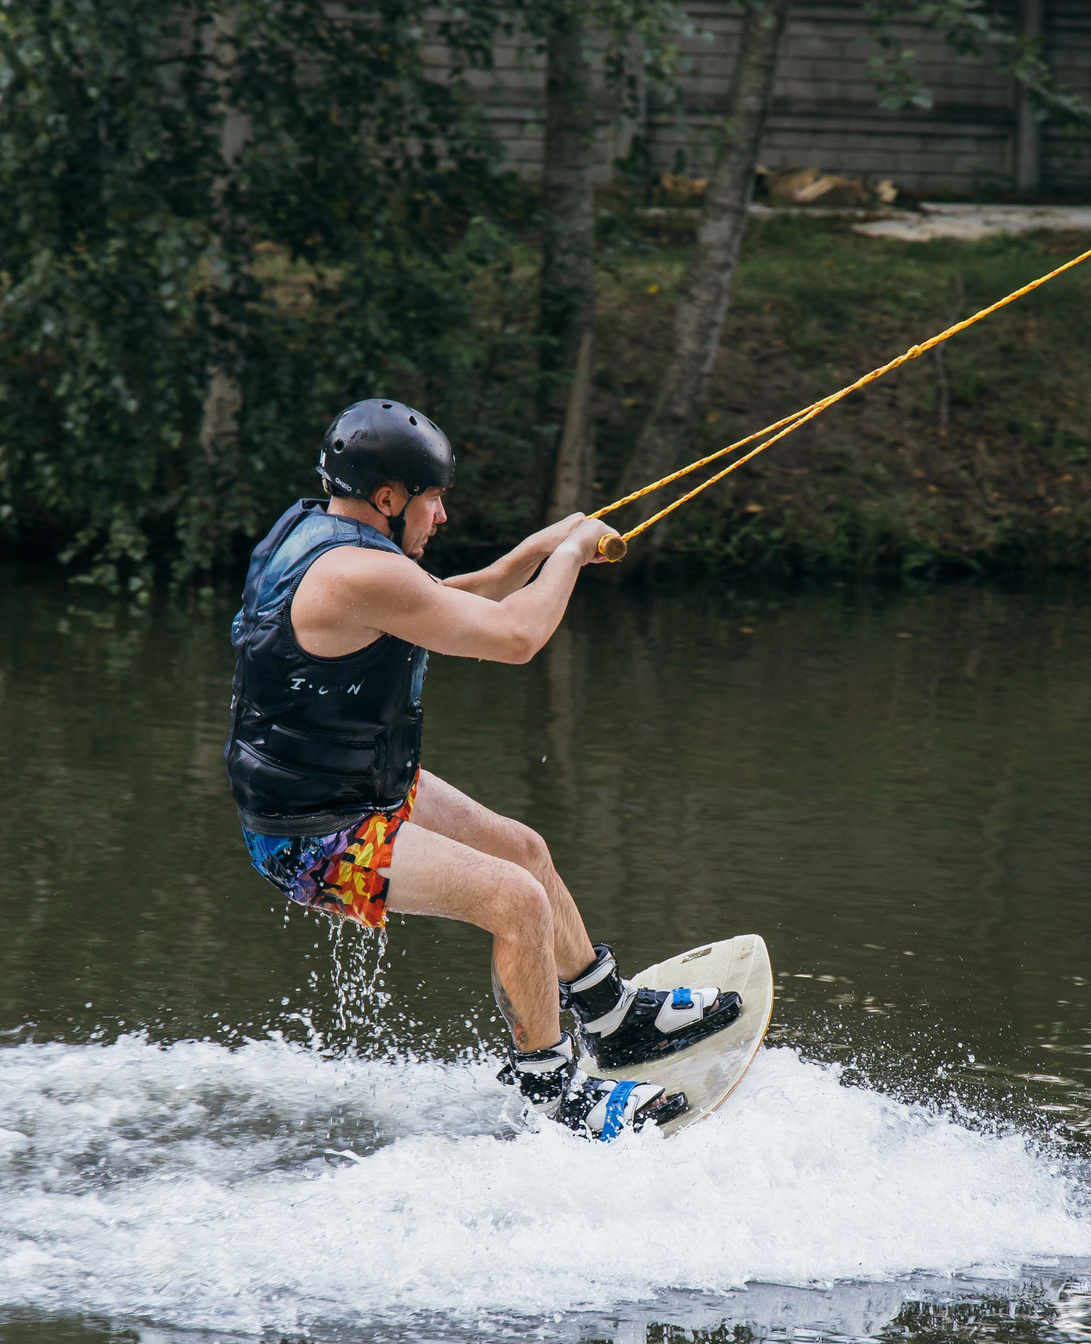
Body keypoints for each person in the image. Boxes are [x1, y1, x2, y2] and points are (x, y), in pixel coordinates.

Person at [226, 398, 741, 1136]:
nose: (440, 517)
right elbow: (516, 638)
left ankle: (612, 1015)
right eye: (433, 500)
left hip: (359, 786)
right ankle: (552, 1093)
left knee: (525, 850)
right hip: (312, 834)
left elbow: (470, 591)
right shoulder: (353, 575)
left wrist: (545, 547)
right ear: (388, 500)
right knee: (516, 900)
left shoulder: (326, 534)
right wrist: (569, 558)